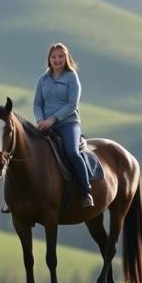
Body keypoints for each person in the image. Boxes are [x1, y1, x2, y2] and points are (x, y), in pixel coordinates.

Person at [29, 42, 93, 208]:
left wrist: (52, 120)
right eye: (54, 57)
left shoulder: (72, 77)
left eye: (60, 56)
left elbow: (72, 105)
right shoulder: (42, 80)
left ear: (66, 58)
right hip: (45, 124)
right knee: (25, 150)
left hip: (68, 123)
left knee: (72, 152)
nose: (57, 60)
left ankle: (86, 192)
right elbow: (37, 104)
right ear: (49, 59)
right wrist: (40, 120)